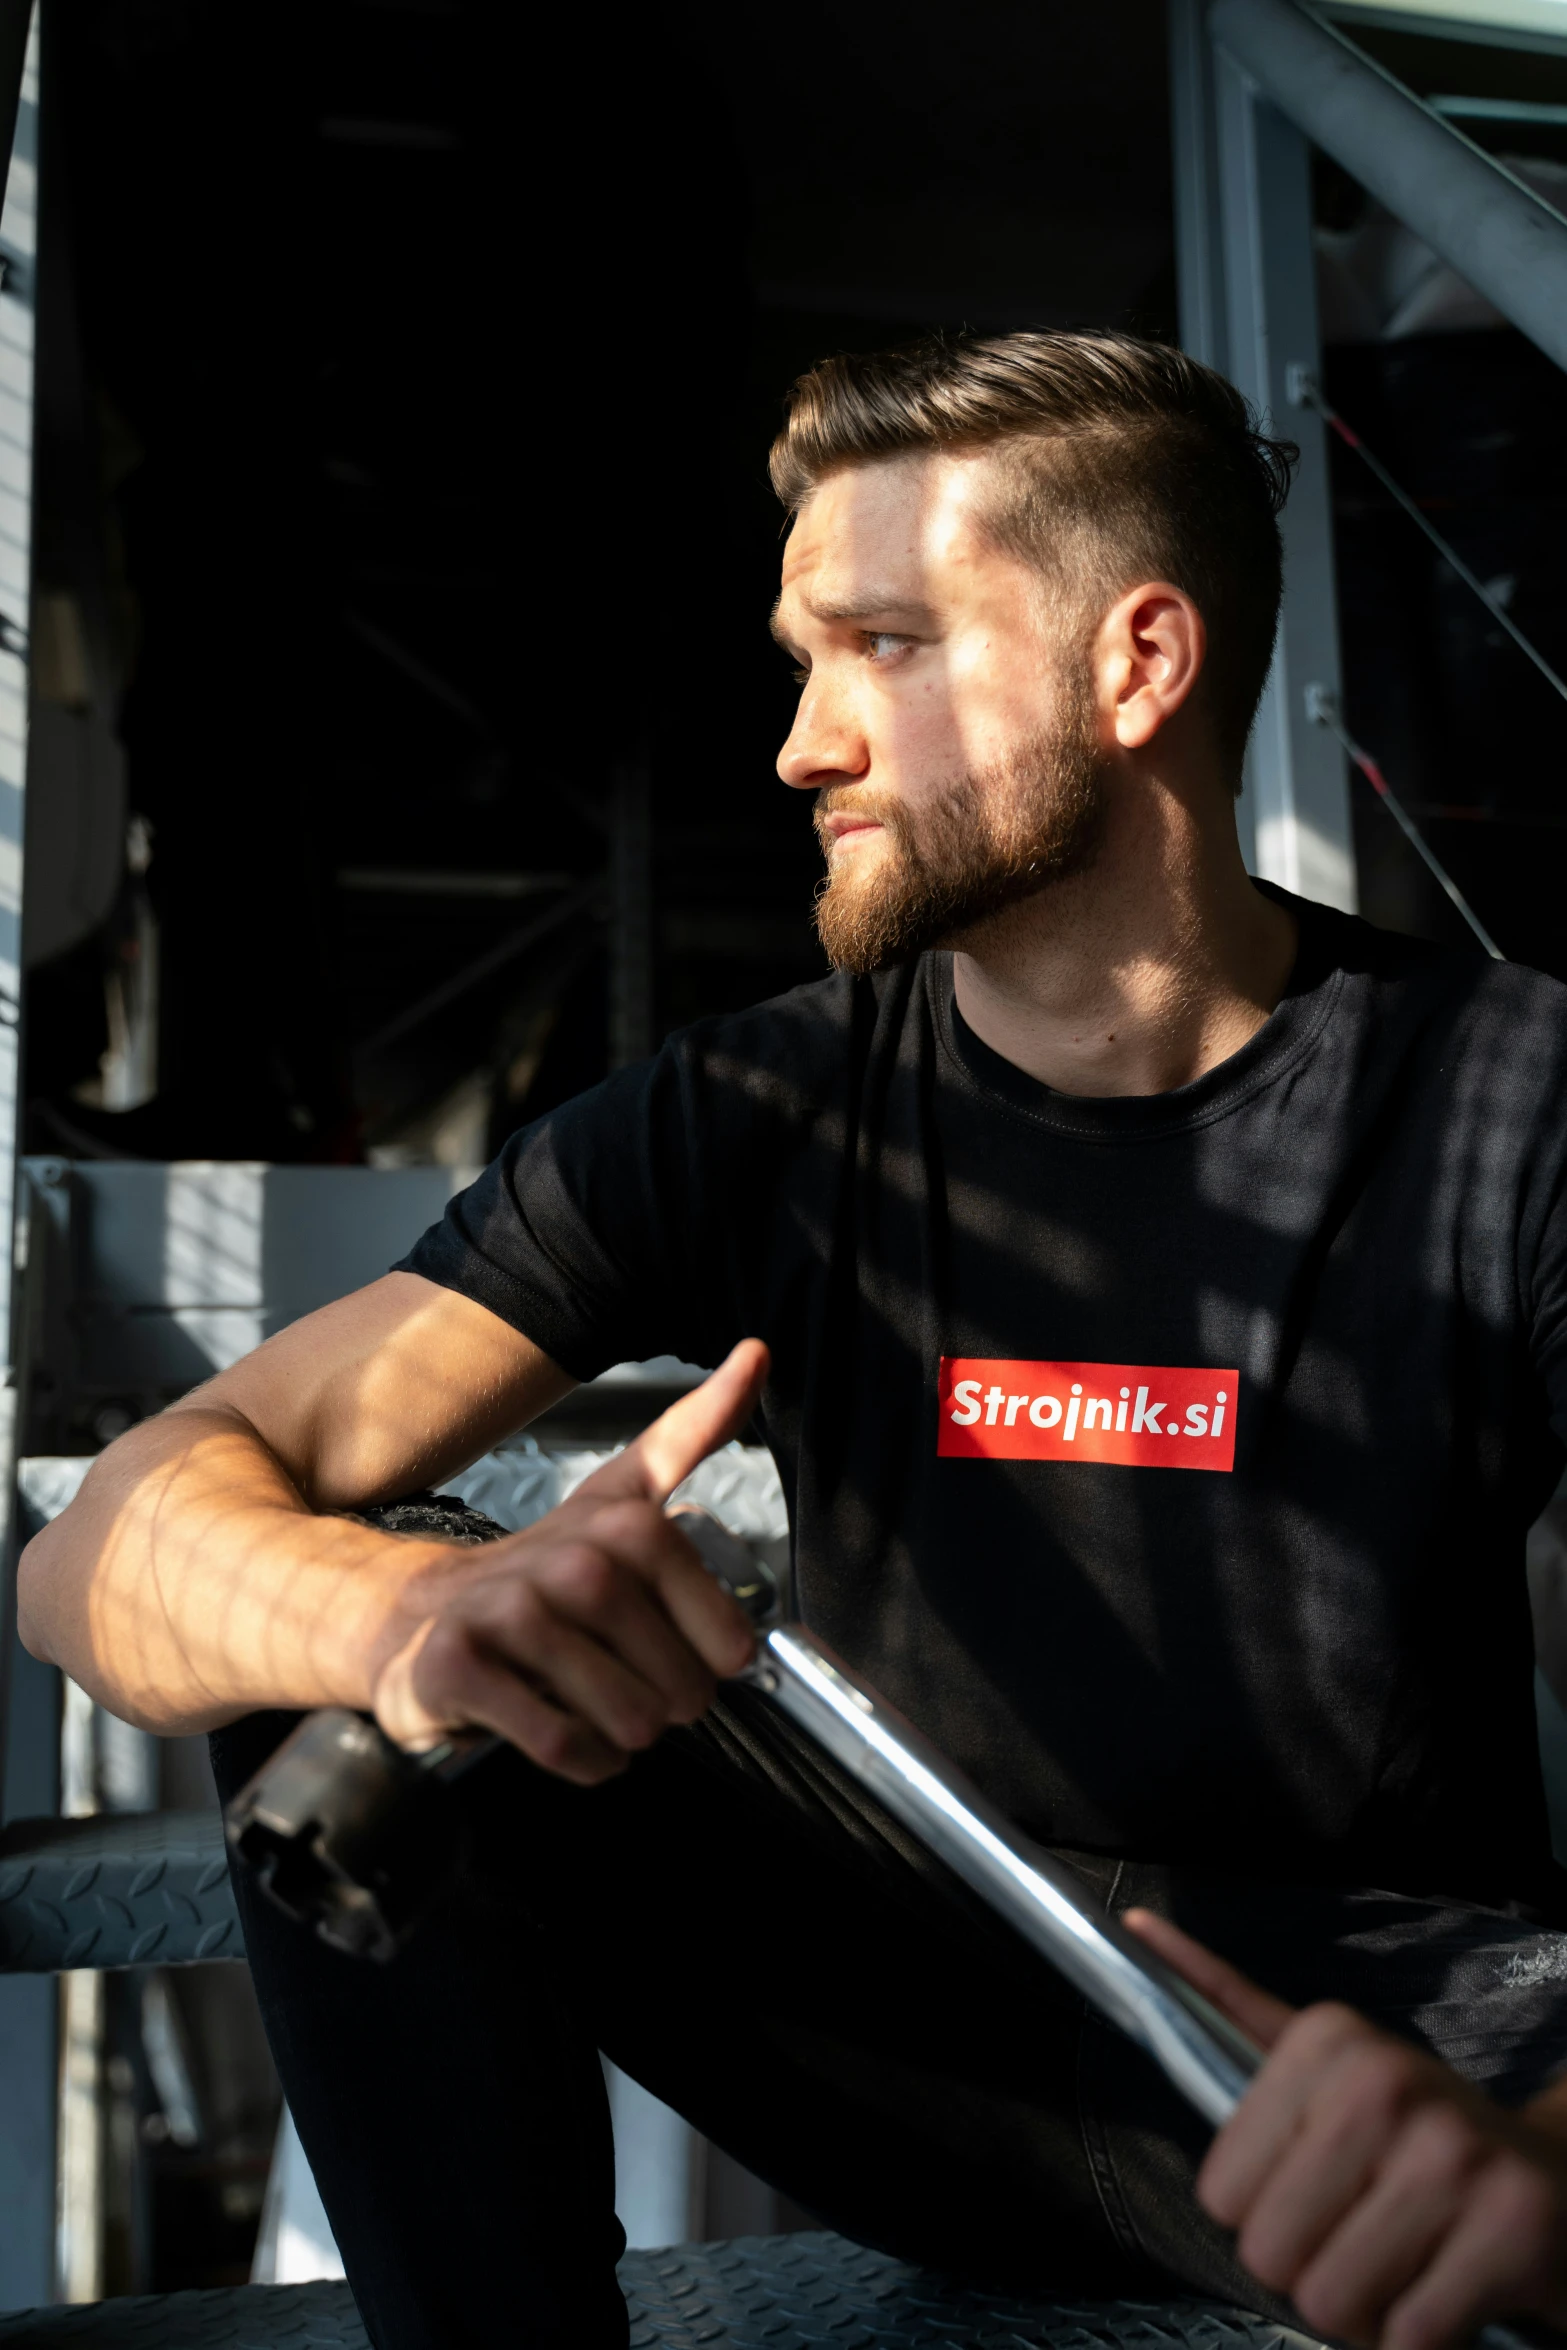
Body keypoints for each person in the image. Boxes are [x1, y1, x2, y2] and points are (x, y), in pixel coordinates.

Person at [19, 331, 1567, 2350]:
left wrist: (1541, 2141)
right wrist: (409, 1611)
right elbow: (99, 1542)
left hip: (1367, 2060)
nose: (801, 745)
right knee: (354, 1687)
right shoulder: (757, 1109)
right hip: (926, 2008)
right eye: (803, 657)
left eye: (888, 646)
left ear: (1138, 666)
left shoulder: (1513, 1099)